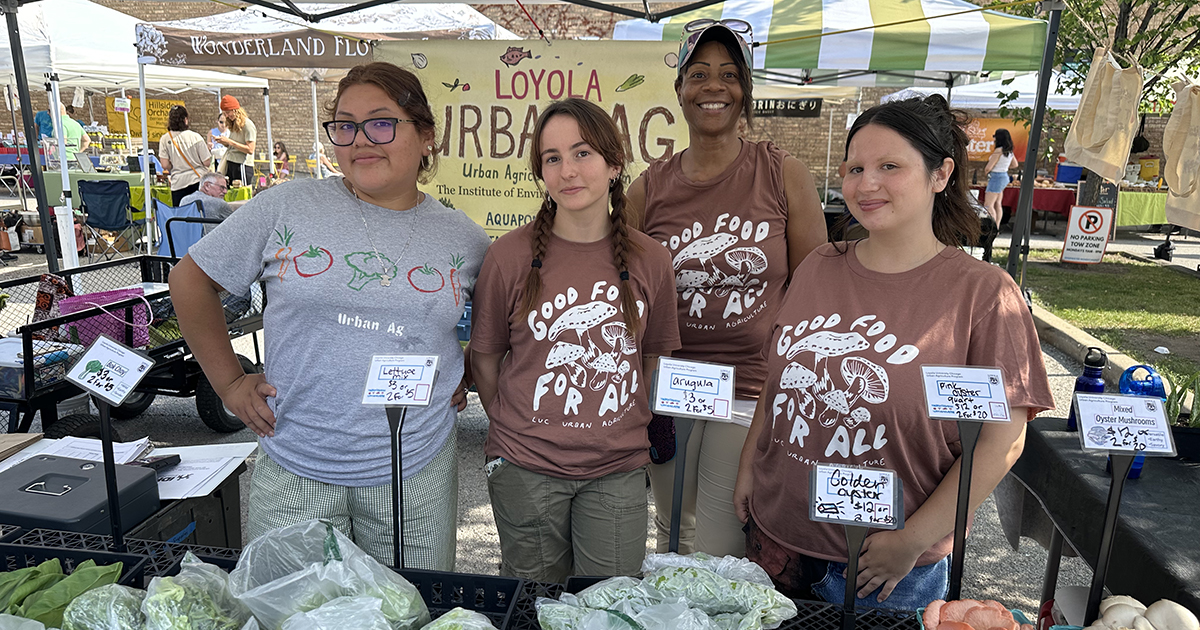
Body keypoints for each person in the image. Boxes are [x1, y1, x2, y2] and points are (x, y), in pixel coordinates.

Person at [733, 95, 1054, 609]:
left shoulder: (984, 294)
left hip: (882, 574)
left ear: (940, 174)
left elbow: (1004, 441)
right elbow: (780, 380)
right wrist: (749, 464)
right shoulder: (819, 264)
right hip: (774, 542)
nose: (867, 184)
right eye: (855, 168)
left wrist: (912, 541)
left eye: (890, 166)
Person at [169, 61, 490, 569]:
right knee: (292, 612)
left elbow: (496, 326)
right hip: (296, 456)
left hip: (416, 464)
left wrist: (466, 367)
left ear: (426, 136)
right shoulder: (289, 205)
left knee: (408, 612)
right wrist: (230, 383)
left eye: (382, 122)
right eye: (345, 125)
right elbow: (190, 280)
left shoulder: (464, 238)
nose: (361, 140)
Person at [626, 19, 827, 557]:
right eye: (699, 74)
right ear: (680, 90)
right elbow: (625, 292)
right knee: (673, 536)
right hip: (672, 389)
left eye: (728, 74)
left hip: (751, 390)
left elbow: (816, 289)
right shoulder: (648, 188)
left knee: (721, 546)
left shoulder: (783, 173)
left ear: (746, 91)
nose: (713, 86)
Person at [471, 98, 680, 583]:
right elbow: (485, 359)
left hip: (617, 469)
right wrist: (517, 428)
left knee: (608, 600)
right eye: (552, 158)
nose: (568, 170)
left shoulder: (651, 259)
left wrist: (624, 423)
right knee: (536, 604)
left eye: (582, 153)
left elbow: (655, 357)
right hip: (526, 467)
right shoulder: (509, 256)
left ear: (613, 163)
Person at [159, 105, 213, 207]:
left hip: (178, 183)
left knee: (180, 215)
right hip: (197, 180)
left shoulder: (165, 139)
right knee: (198, 213)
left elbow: (165, 165)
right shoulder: (195, 137)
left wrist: (175, 164)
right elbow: (207, 162)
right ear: (185, 120)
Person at [214, 96, 256, 186]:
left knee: (241, 197)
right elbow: (234, 145)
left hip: (242, 165)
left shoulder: (247, 125)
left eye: (228, 112)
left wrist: (229, 141)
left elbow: (250, 149)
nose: (227, 116)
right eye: (225, 113)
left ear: (236, 110)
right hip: (231, 162)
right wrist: (224, 142)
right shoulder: (233, 124)